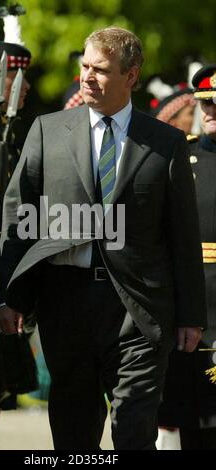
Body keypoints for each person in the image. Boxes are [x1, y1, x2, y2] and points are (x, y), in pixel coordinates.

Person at [0, 26, 207, 450]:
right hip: (66, 302)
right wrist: (10, 294)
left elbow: (184, 235)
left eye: (102, 70)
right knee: (74, 434)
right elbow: (20, 216)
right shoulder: (47, 131)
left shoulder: (165, 144)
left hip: (140, 307)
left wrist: (191, 314)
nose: (87, 77)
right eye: (85, 67)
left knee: (133, 427)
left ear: (132, 75)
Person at [157, 64, 216, 450]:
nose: (210, 113)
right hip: (200, 308)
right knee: (198, 421)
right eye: (206, 105)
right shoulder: (186, 158)